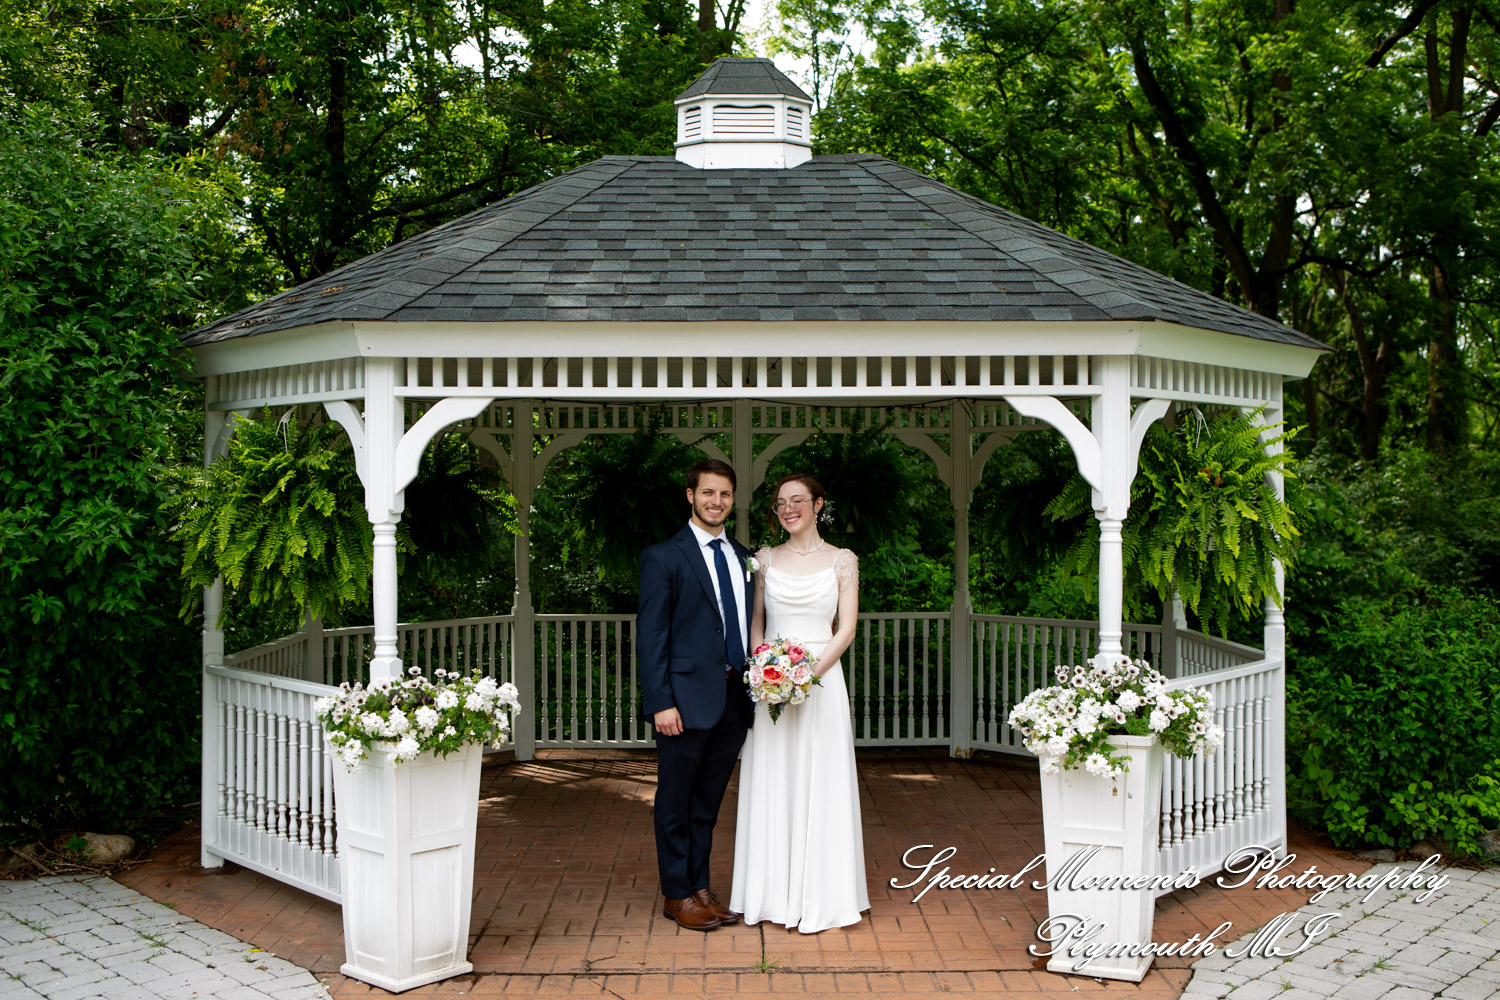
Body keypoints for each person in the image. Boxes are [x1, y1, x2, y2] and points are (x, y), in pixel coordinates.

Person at [731, 473, 869, 933]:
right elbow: (757, 622)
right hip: (770, 683)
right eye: (780, 503)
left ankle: (822, 895)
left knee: (821, 780)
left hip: (822, 684)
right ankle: (770, 894)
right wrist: (763, 670)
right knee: (774, 779)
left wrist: (805, 676)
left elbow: (845, 629)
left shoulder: (843, 561)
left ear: (818, 504)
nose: (788, 508)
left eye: (797, 500)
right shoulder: (765, 560)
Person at [637, 459, 757, 931]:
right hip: (683, 702)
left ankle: (700, 886)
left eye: (725, 494)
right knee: (676, 800)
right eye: (708, 493)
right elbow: (651, 637)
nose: (717, 502)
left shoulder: (744, 556)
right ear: (691, 495)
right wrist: (660, 701)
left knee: (707, 802)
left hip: (733, 698)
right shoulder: (664, 556)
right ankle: (676, 894)